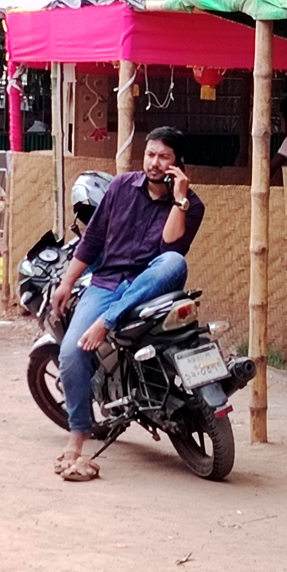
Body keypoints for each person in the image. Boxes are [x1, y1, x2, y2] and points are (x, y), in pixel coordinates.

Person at [48, 127, 205, 482]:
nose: (154, 162)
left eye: (164, 156)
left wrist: (178, 199)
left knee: (174, 263)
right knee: (72, 352)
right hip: (106, 284)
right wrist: (67, 281)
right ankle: (77, 438)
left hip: (151, 286)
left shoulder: (192, 205)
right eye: (150, 154)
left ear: (177, 163)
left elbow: (171, 247)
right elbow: (92, 241)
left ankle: (108, 321)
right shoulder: (120, 187)